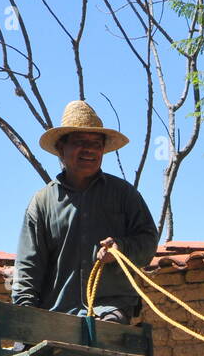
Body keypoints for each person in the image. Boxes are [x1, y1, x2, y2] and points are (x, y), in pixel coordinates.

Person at [12, 100, 160, 324]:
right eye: (80, 142)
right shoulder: (42, 203)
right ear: (61, 149)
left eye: (97, 144)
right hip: (57, 313)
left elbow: (148, 242)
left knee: (107, 334)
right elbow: (28, 268)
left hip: (110, 308)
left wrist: (121, 248)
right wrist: (25, 316)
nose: (90, 149)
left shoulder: (124, 194)